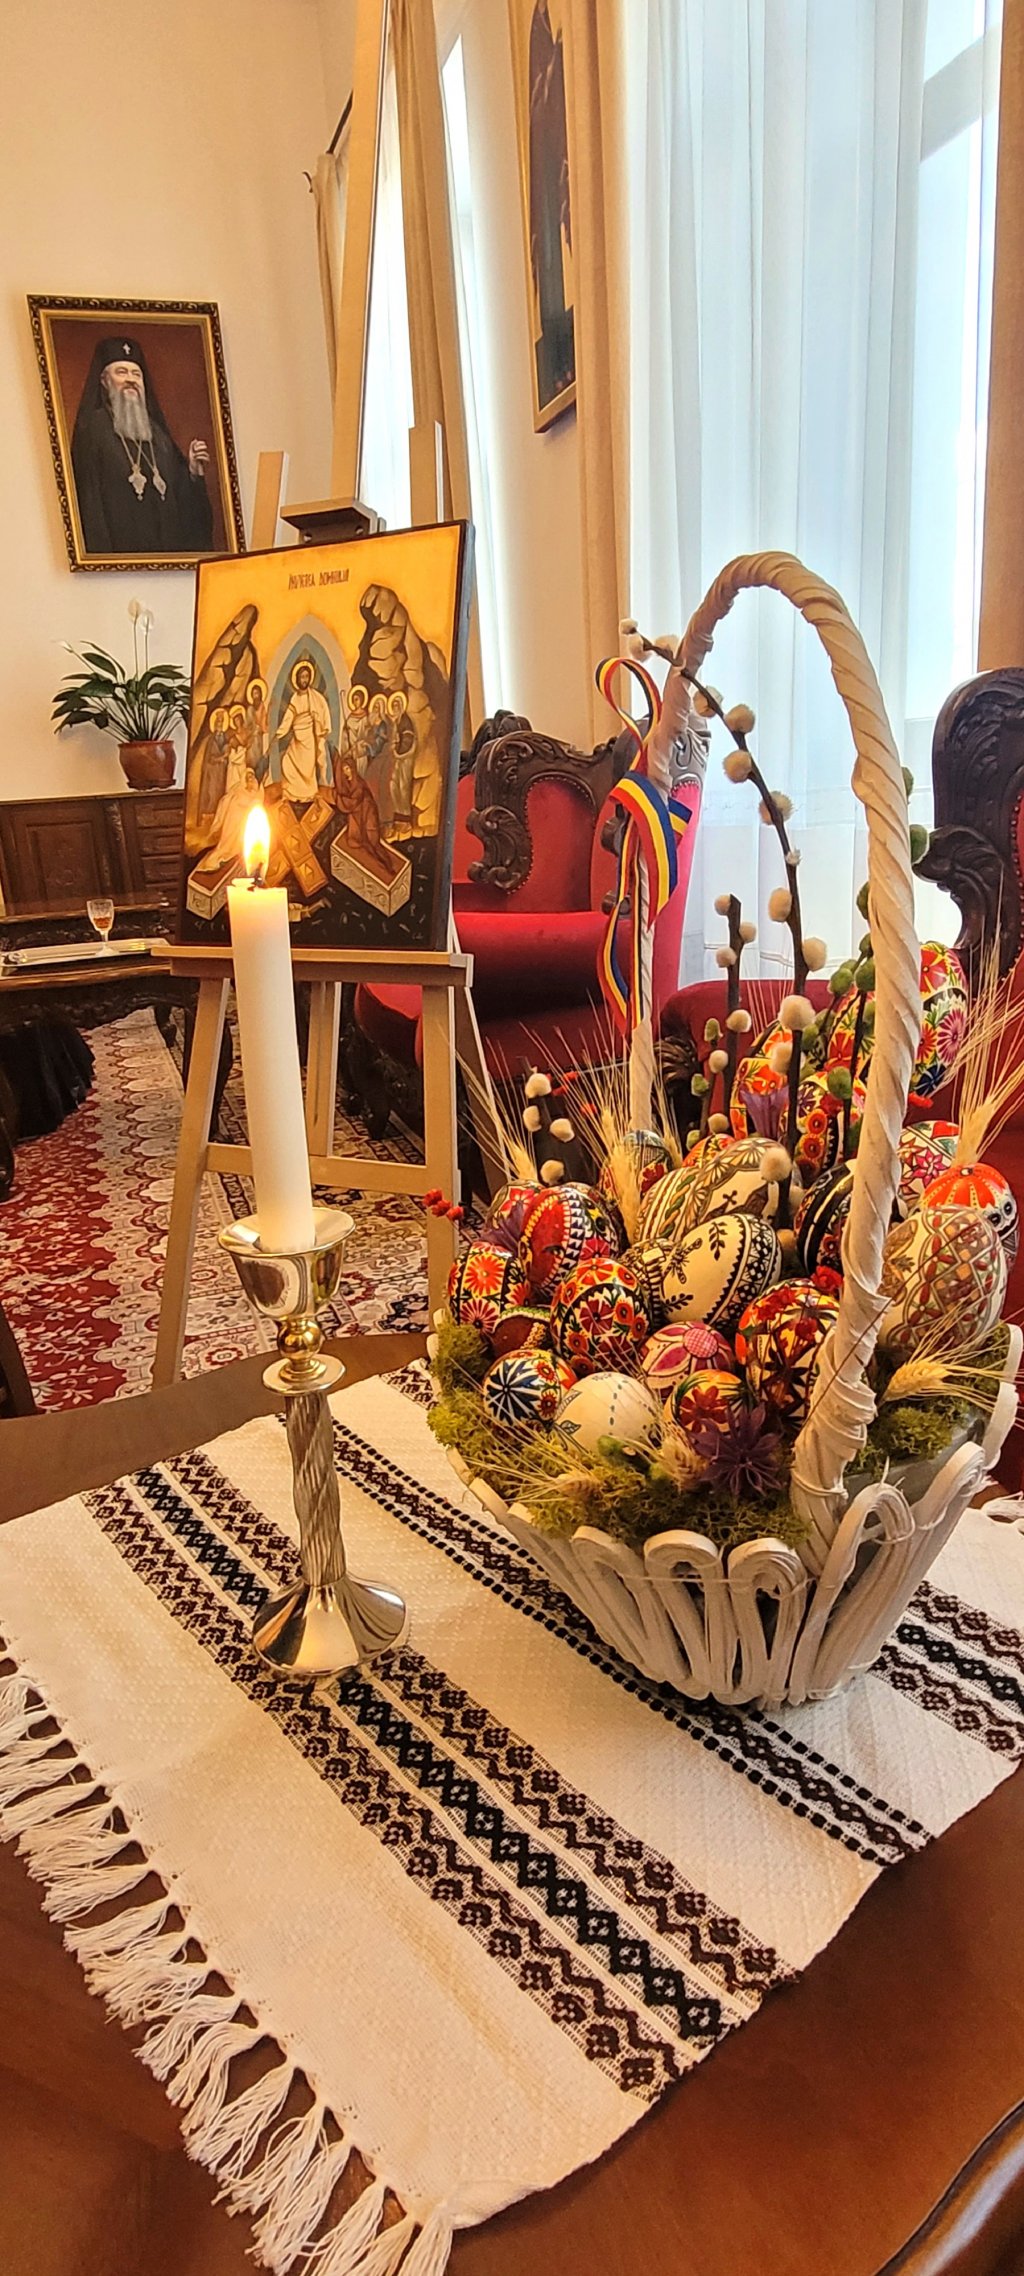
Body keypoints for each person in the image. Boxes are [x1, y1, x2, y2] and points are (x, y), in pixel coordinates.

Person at [71, 334, 214, 556]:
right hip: (118, 563)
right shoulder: (92, 429)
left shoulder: (157, 435)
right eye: (121, 372)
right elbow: (89, 504)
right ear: (104, 381)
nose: (131, 379)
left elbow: (185, 511)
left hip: (166, 567)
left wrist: (193, 473)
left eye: (136, 374)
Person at [274, 660, 332, 803]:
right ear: (297, 679)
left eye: (306, 677)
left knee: (308, 769)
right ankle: (291, 794)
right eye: (302, 677)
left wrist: (324, 727)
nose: (304, 680)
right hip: (297, 739)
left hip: (308, 740)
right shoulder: (295, 698)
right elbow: (288, 718)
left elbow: (323, 710)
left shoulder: (315, 697)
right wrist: (279, 733)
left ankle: (309, 795)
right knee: (287, 761)